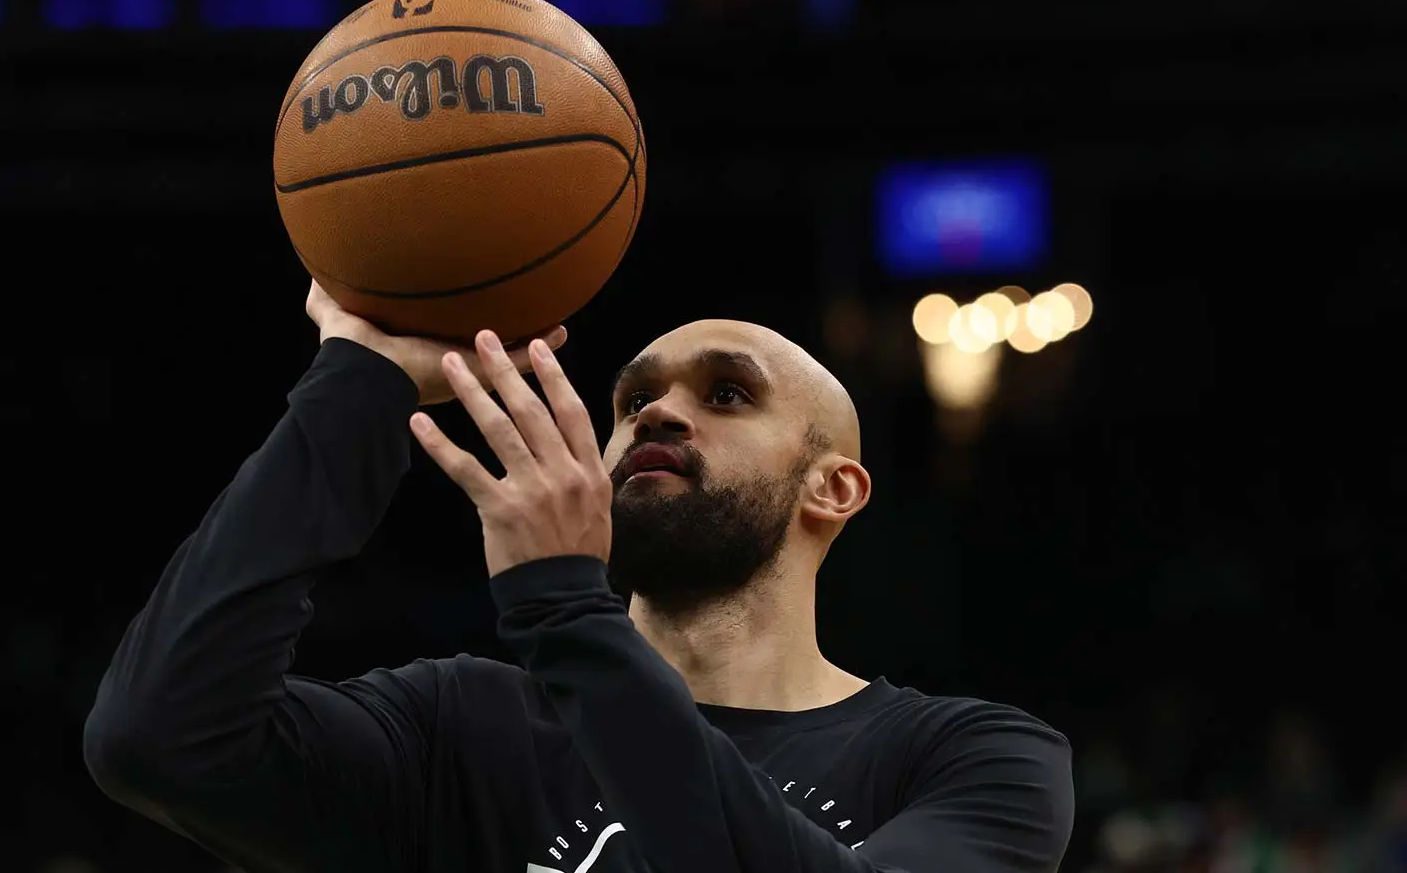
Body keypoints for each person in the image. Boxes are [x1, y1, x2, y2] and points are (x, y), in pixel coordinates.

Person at [84, 282, 1076, 873]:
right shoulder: (459, 731)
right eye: (633, 401)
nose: (657, 413)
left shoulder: (973, 757)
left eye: (727, 393)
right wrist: (354, 388)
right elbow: (161, 738)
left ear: (835, 487)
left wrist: (564, 610)